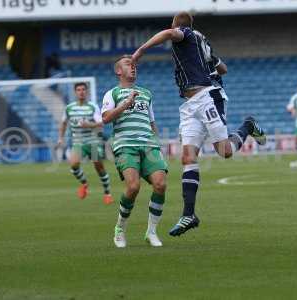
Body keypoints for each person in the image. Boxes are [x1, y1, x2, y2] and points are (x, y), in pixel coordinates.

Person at [132, 11, 266, 236]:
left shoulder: (185, 33)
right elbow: (223, 69)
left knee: (224, 151)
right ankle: (189, 214)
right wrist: (207, 63)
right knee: (187, 157)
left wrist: (140, 51)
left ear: (178, 25)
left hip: (207, 98)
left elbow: (166, 33)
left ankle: (248, 125)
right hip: (190, 104)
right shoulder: (202, 42)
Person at [102, 55, 168, 248]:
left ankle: (151, 232)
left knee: (161, 184)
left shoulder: (146, 94)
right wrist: (125, 104)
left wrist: (158, 143)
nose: (133, 67)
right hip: (125, 144)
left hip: (148, 144)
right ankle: (120, 229)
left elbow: (152, 121)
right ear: (118, 71)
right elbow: (105, 118)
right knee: (133, 187)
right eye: (128, 64)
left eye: (134, 65)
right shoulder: (112, 94)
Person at [58, 82, 114, 205]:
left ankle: (107, 193)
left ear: (87, 91)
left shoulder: (92, 107)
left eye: (83, 89)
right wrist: (60, 138)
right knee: (73, 165)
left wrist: (89, 125)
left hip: (93, 141)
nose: (81, 91)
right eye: (78, 90)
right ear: (75, 92)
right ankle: (84, 183)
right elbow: (63, 123)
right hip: (78, 141)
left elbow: (100, 123)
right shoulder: (69, 108)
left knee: (98, 165)